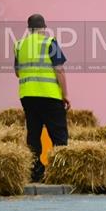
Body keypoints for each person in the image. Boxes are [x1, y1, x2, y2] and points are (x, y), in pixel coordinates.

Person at [14, 13, 71, 182]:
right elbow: (59, 69)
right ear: (44, 28)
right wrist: (65, 94)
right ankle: (60, 172)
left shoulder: (19, 45)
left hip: (27, 96)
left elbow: (17, 72)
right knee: (59, 135)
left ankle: (35, 172)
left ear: (29, 29)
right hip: (50, 95)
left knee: (33, 134)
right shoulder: (49, 43)